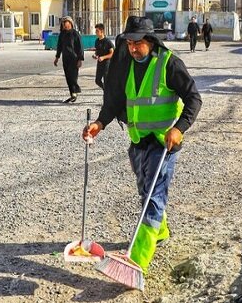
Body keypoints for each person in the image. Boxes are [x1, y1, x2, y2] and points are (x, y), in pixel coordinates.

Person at [82, 16, 202, 275]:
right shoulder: (125, 64)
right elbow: (114, 100)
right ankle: (160, 230)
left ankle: (137, 260)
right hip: (138, 141)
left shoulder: (169, 64)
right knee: (145, 190)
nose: (133, 48)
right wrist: (100, 123)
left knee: (152, 196)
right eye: (129, 43)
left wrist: (179, 129)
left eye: (137, 43)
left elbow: (194, 98)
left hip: (164, 143)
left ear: (150, 41)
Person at [54, 16, 84, 103]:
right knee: (68, 77)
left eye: (65, 23)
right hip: (65, 59)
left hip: (74, 59)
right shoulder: (62, 34)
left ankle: (75, 91)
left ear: (70, 23)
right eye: (63, 23)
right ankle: (72, 94)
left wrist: (80, 59)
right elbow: (59, 46)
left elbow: (80, 47)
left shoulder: (75, 34)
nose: (64, 25)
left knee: (73, 76)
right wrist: (57, 57)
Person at [92, 23, 114, 90]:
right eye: (95, 31)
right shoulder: (97, 41)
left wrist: (103, 57)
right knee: (97, 81)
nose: (96, 33)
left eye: (97, 31)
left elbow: (112, 53)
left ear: (102, 31)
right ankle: (106, 90)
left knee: (106, 81)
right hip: (100, 63)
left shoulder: (107, 41)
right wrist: (95, 55)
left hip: (107, 64)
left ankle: (108, 93)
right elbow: (97, 51)